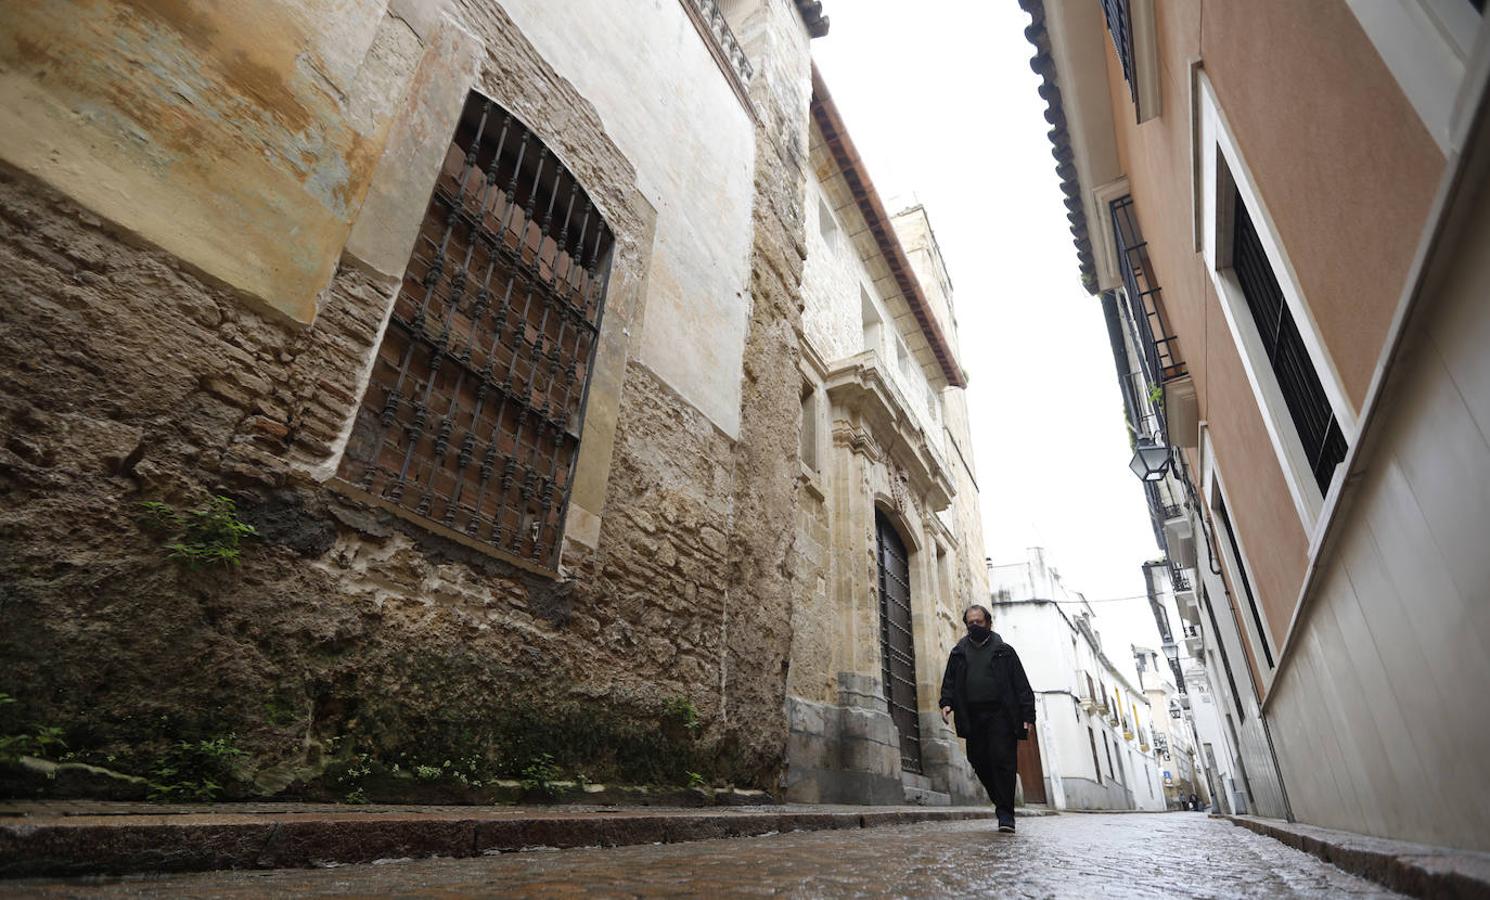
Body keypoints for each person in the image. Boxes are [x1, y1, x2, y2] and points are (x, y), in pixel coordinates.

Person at [939, 604, 1036, 833]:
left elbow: (1021, 685)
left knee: (1004, 761)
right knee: (978, 759)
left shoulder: (1005, 651)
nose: (974, 626)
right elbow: (950, 681)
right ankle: (1000, 801)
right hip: (972, 715)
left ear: (988, 623)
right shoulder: (958, 652)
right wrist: (946, 702)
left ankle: (1006, 815)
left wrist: (1027, 716)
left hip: (1001, 714)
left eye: (978, 622)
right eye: (970, 623)